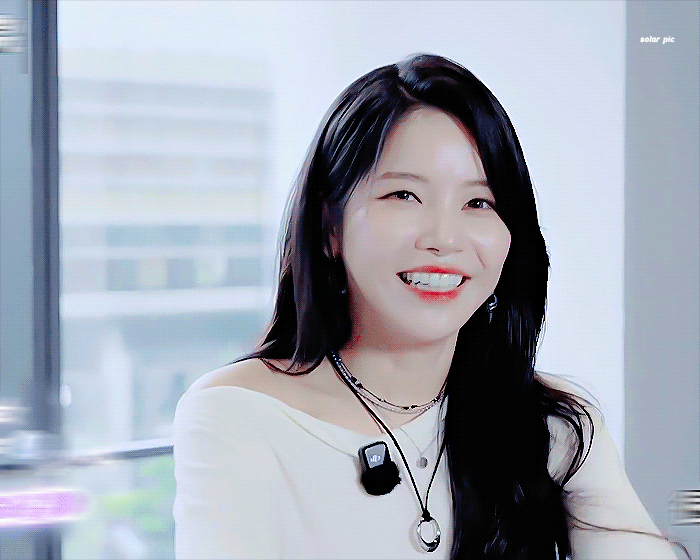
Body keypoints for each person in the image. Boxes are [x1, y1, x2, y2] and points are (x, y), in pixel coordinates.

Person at [173, 54, 687, 559]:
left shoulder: (550, 423)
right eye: (403, 196)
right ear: (330, 227)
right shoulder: (237, 415)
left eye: (478, 203)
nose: (445, 238)